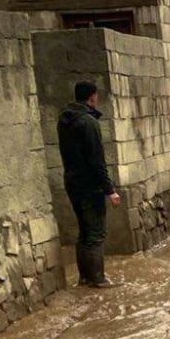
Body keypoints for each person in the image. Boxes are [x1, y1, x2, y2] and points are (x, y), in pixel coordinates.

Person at [57, 80, 121, 287]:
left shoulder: (65, 119)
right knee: (95, 233)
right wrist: (110, 190)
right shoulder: (88, 122)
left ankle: (85, 277)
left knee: (85, 231)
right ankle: (98, 279)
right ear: (93, 97)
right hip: (89, 186)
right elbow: (96, 160)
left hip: (73, 183)